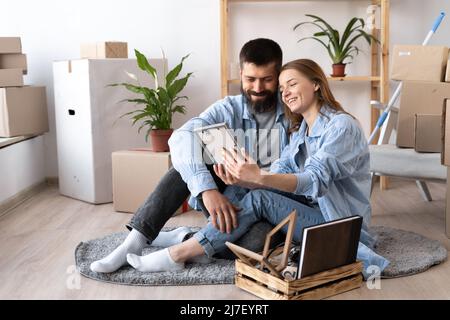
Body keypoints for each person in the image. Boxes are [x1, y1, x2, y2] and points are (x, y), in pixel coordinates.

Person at [123, 59, 390, 279]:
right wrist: (244, 178)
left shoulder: (341, 126)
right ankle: (174, 240)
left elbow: (313, 181)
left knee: (257, 211)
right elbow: (281, 170)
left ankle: (180, 252)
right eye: (283, 87)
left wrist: (259, 177)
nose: (285, 92)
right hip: (305, 211)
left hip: (337, 223)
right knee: (243, 194)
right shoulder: (300, 132)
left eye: (292, 84)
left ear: (317, 84)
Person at [90, 38, 292, 273]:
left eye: (266, 80)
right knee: (184, 161)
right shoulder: (229, 108)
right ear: (240, 74)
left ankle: (186, 238)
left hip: (264, 206)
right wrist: (207, 190)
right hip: (225, 200)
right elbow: (181, 137)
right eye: (250, 79)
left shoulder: (293, 113)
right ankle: (134, 242)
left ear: (279, 75)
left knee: (258, 246)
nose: (257, 88)